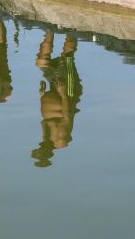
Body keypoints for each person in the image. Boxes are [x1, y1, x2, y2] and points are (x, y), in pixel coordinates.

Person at [31, 30, 82, 167]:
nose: (40, 146)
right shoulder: (61, 140)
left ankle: (49, 29)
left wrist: (43, 95)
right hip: (69, 92)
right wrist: (63, 93)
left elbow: (47, 117)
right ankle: (72, 29)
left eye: (38, 149)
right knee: (67, 57)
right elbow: (67, 116)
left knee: (41, 62)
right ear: (48, 154)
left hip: (54, 89)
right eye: (40, 150)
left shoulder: (46, 138)